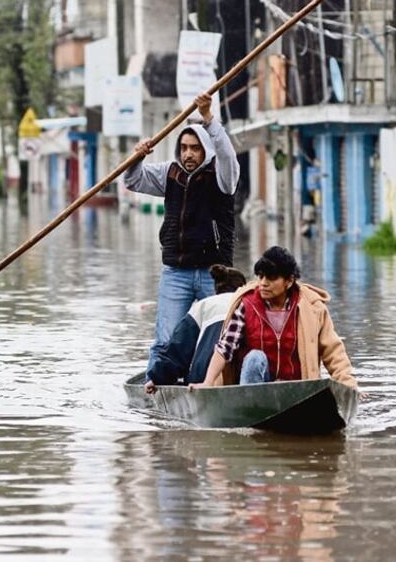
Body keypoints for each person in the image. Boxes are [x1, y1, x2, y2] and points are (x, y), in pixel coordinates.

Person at [124, 92, 240, 364]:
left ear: (205, 150)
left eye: (195, 148)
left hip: (215, 273)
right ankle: (157, 383)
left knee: (222, 338)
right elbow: (133, 181)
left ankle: (215, 384)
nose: (188, 153)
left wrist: (209, 118)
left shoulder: (222, 176)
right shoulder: (170, 173)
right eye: (184, 147)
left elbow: (227, 155)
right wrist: (137, 158)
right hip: (176, 272)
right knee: (166, 339)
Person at [194, 246, 358, 390]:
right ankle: (250, 411)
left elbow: (333, 351)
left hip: (295, 391)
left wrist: (349, 386)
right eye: (260, 276)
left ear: (289, 281)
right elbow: (224, 348)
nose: (263, 283)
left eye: (271, 278)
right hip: (256, 389)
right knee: (254, 358)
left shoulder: (311, 308)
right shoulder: (246, 304)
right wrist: (208, 382)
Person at [143, 264, 247, 394]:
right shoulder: (249, 303)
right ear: (243, 288)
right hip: (243, 375)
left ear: (215, 290)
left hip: (202, 377)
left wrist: (156, 379)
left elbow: (178, 349)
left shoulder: (203, 305)